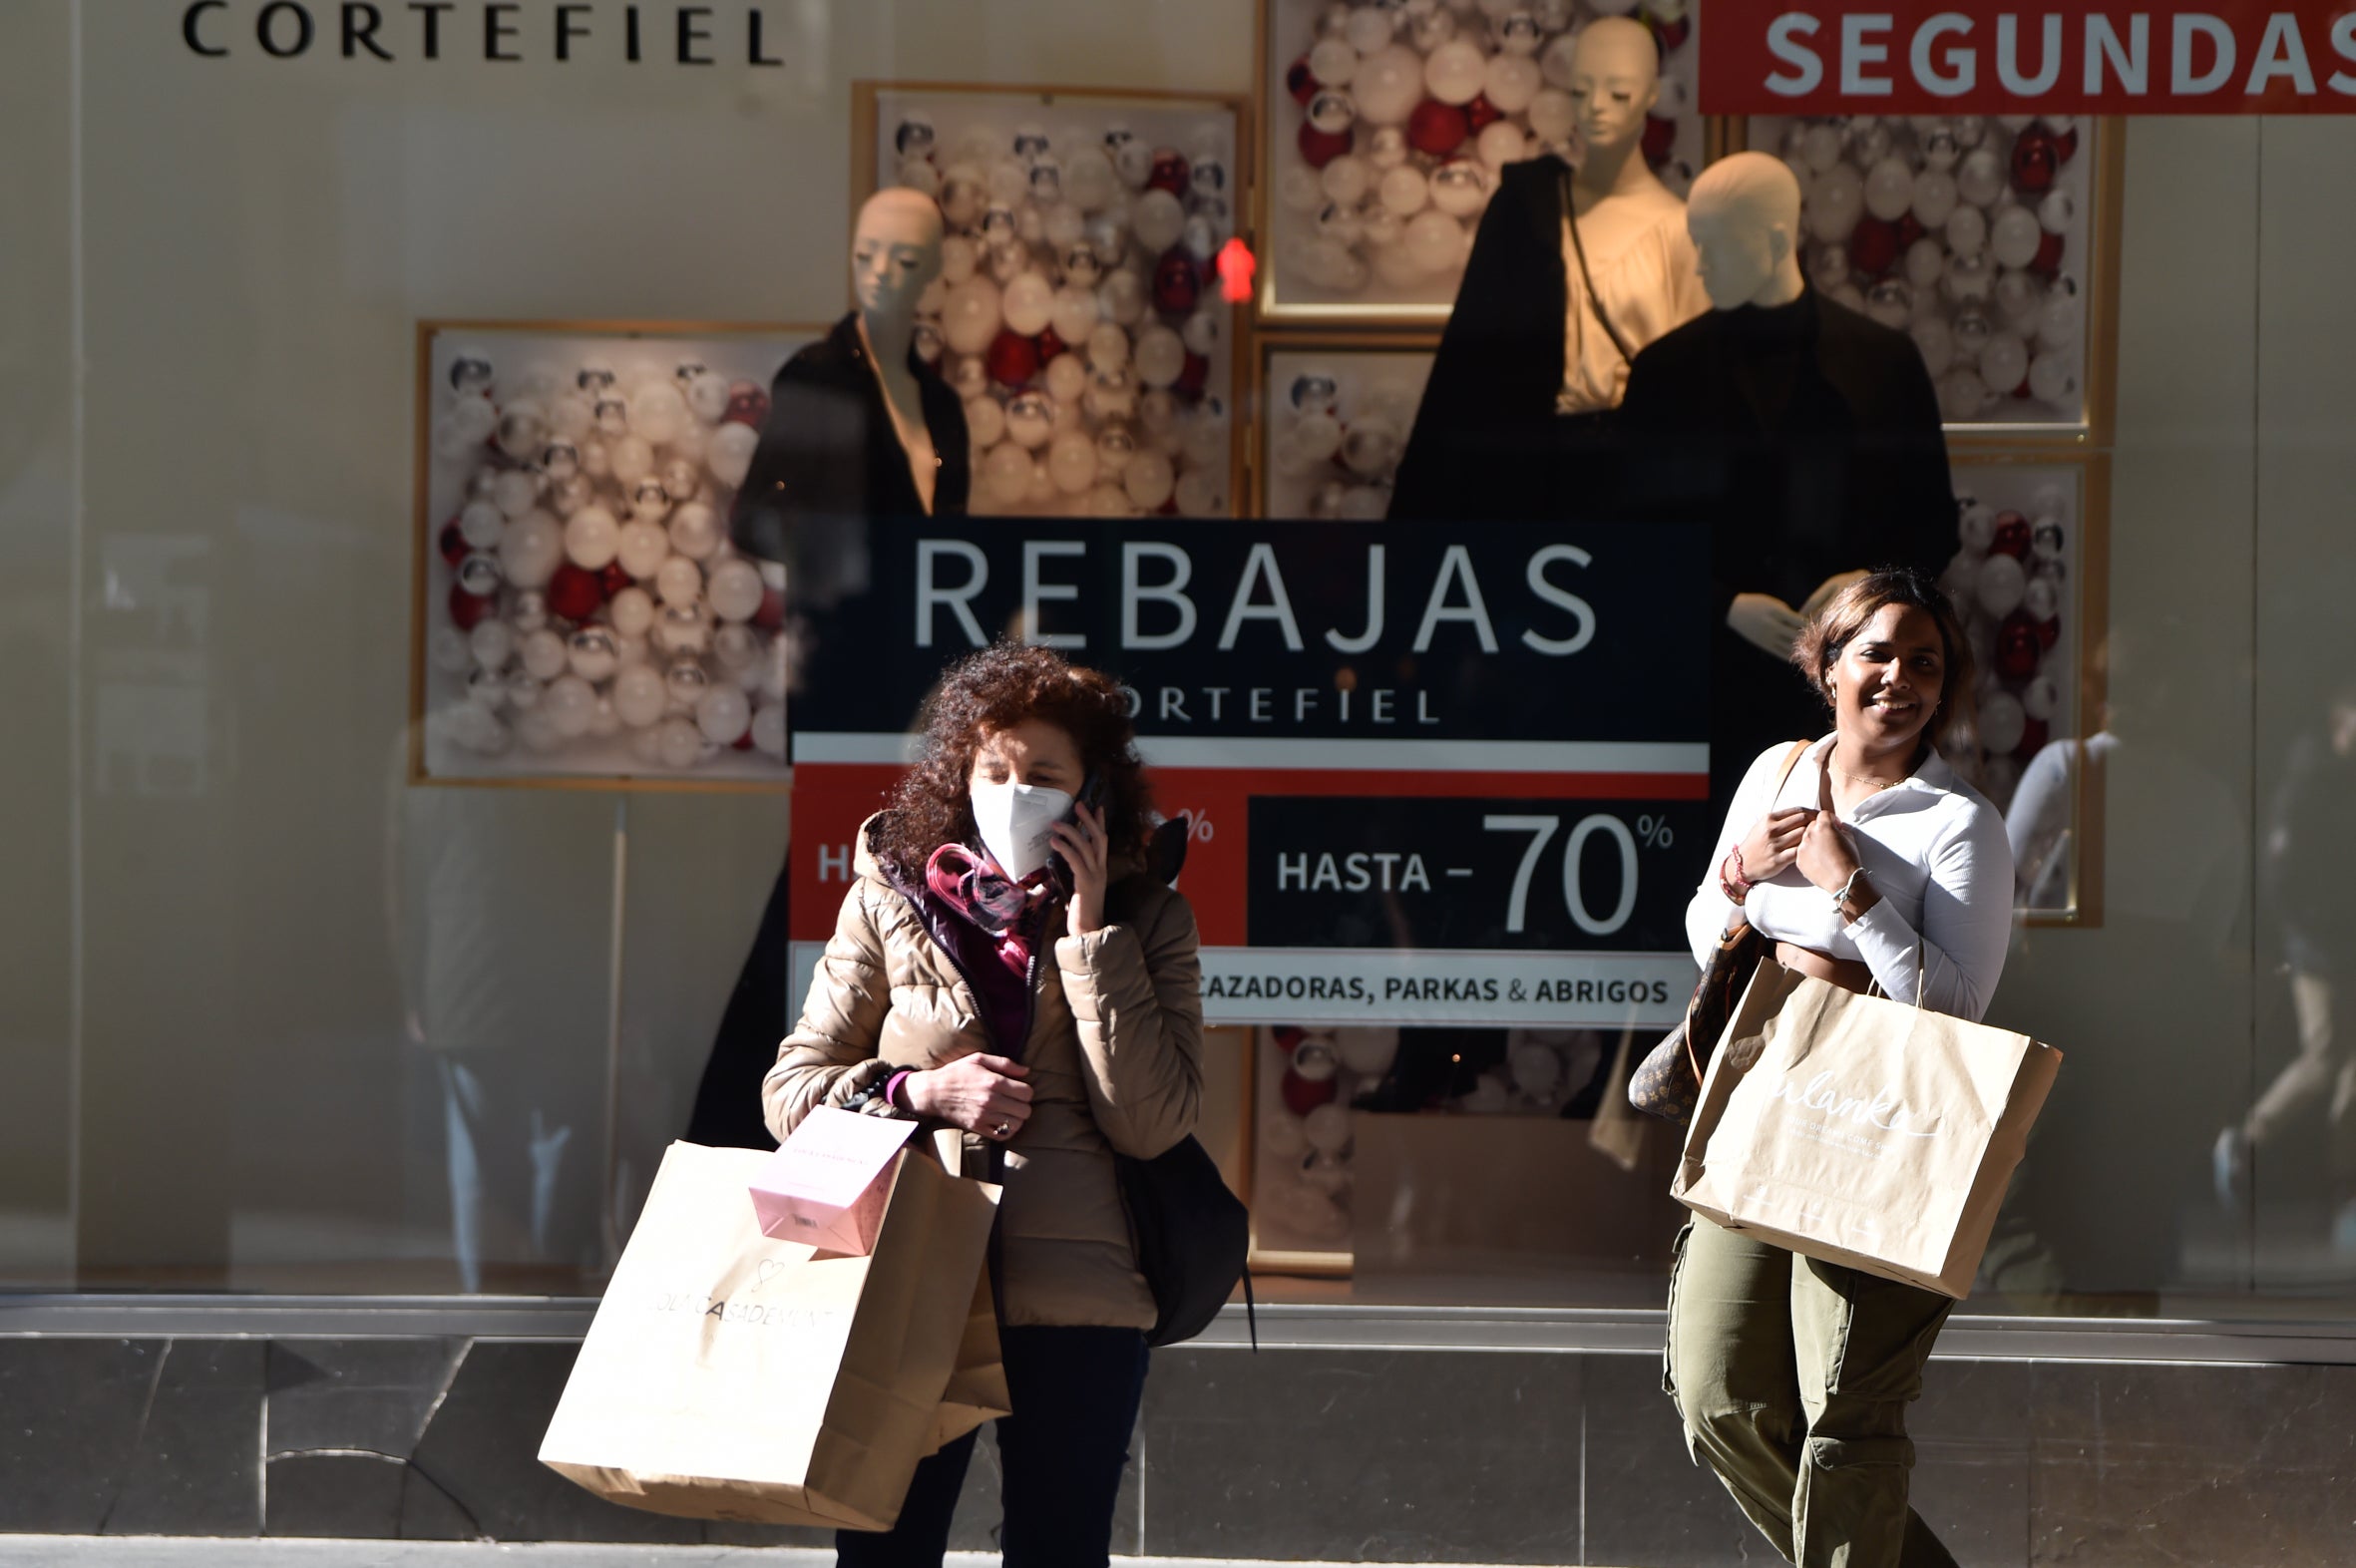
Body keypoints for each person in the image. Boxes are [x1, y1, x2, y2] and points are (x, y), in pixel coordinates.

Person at [763, 642, 1203, 1567]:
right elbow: (791, 1092)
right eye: (993, 771)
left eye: (1044, 775)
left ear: (1094, 790)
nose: (1014, 793)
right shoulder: (887, 901)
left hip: (1077, 1296)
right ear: (959, 778)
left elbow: (1154, 1123)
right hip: (911, 1281)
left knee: (1059, 1549)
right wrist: (917, 1091)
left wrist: (1091, 934)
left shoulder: (1150, 917)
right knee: (884, 1551)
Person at [1666, 568, 2014, 1568]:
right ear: (1828, 666)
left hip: (1874, 1117)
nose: (1900, 678)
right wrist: (1738, 878)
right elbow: (1707, 929)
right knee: (1716, 1394)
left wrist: (1849, 888)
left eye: (1925, 663)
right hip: (1759, 1092)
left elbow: (1954, 1010)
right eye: (1877, 654)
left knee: (1844, 1419)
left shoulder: (1957, 822)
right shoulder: (1777, 770)